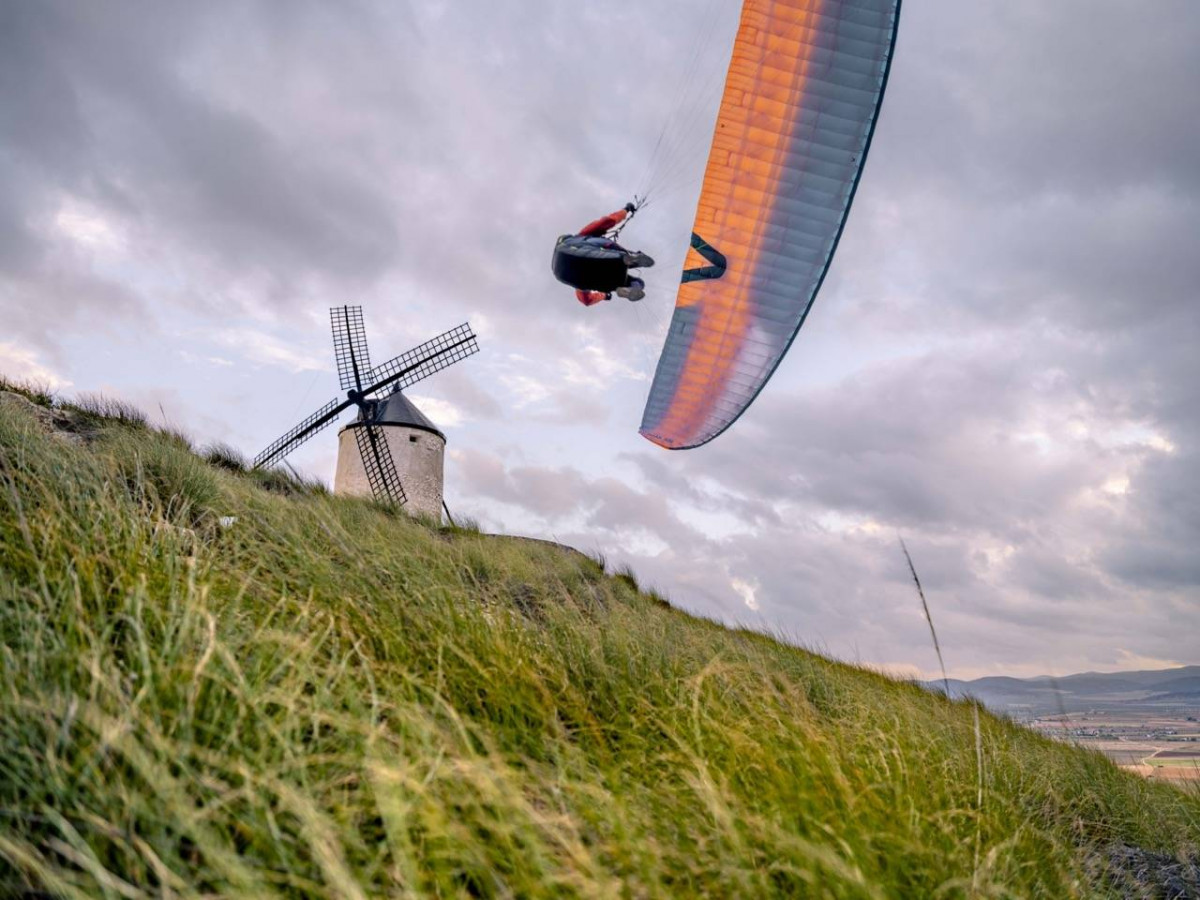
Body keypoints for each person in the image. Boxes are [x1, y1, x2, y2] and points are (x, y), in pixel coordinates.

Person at [551, 202, 655, 306]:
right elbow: (607, 221)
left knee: (634, 281)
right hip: (570, 252)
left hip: (566, 276)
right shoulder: (579, 237)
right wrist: (626, 210)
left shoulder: (573, 274)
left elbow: (586, 300)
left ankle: (630, 285)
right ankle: (628, 259)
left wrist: (605, 296)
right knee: (608, 249)